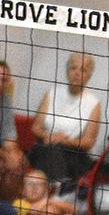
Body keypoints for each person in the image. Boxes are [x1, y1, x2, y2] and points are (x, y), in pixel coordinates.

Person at [29, 52, 101, 184]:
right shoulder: (51, 93)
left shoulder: (93, 103)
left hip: (73, 155)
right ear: (67, 71)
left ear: (89, 76)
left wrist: (64, 140)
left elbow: (88, 142)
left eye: (83, 70)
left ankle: (51, 189)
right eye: (73, 68)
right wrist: (48, 136)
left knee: (52, 150)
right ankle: (56, 189)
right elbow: (36, 128)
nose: (77, 73)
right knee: (48, 149)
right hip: (44, 146)